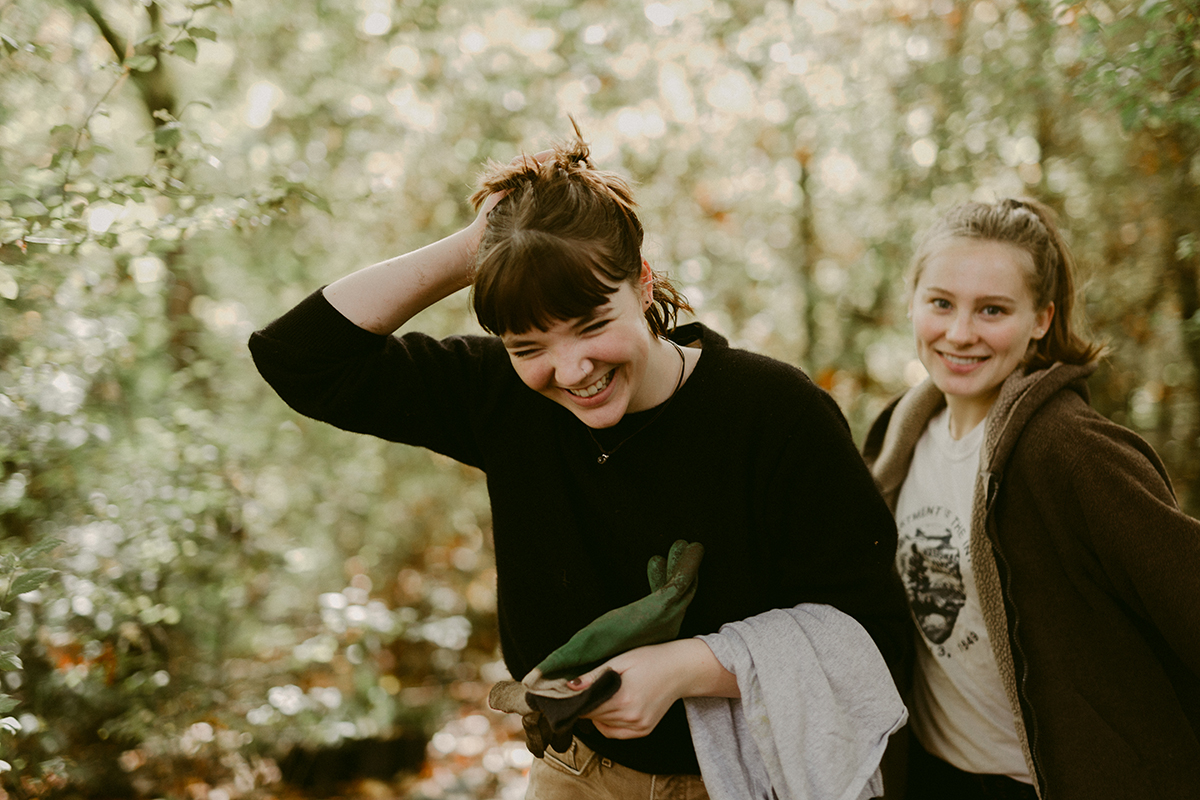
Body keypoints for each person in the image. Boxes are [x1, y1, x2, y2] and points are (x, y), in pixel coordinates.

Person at [250, 130, 909, 798]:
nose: (573, 371)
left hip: (741, 777)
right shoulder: (498, 398)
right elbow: (299, 358)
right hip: (571, 774)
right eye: (528, 344)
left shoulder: (775, 413)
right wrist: (476, 248)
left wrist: (687, 667)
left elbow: (872, 641)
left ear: (643, 281)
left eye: (594, 325)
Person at [862, 197, 1200, 800]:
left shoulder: (1071, 451)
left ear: (1041, 318)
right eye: (941, 303)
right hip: (935, 777)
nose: (960, 333)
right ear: (912, 302)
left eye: (992, 310)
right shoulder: (899, 436)